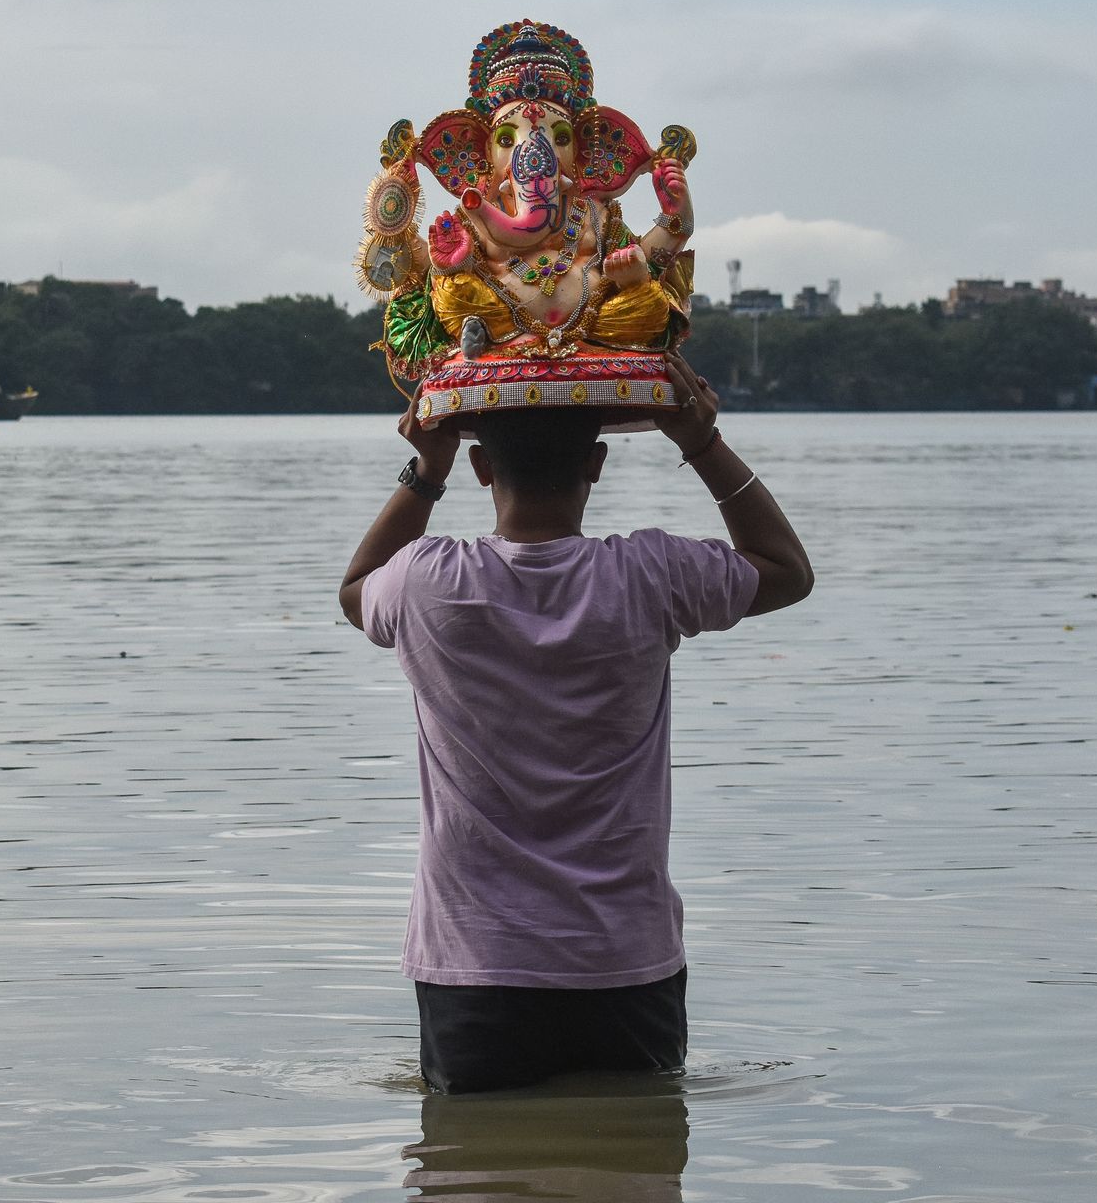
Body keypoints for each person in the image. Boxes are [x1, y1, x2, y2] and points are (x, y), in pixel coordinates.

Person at [338, 354, 814, 1094]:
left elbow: (353, 592)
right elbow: (785, 571)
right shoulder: (651, 574)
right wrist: (701, 444)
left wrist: (422, 472)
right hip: (625, 964)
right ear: (598, 463)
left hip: (475, 969)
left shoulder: (426, 580)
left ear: (480, 469)